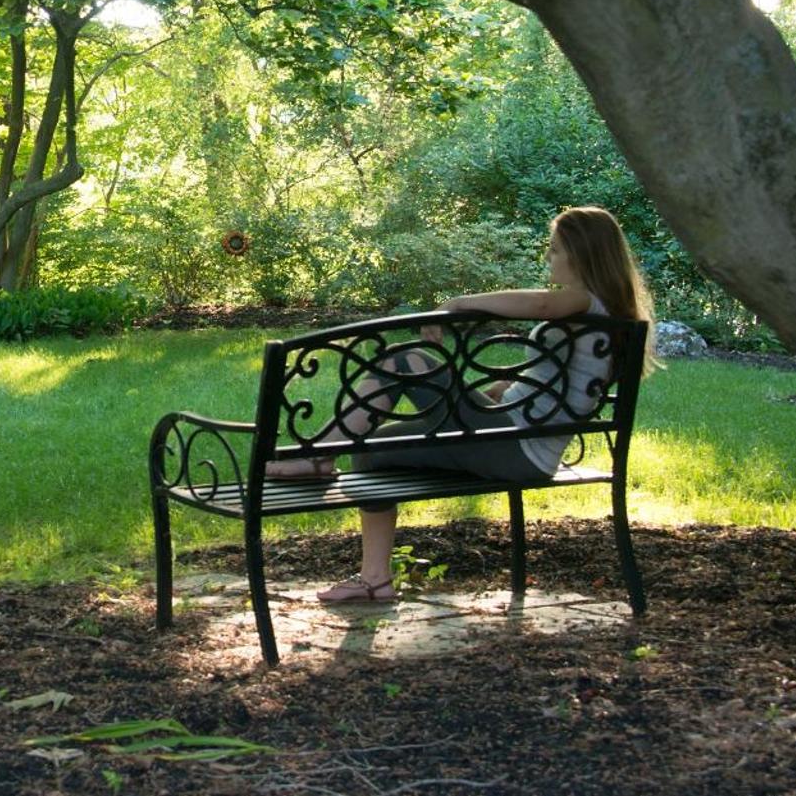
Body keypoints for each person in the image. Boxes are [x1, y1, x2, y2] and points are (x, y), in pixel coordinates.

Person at [265, 206, 654, 604]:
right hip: (515, 437)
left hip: (513, 444)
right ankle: (375, 580)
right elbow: (549, 384)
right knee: (372, 451)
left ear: (581, 252)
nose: (548, 257)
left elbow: (541, 306)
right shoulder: (608, 315)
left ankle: (319, 457)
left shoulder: (584, 301)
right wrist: (489, 391)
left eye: (554, 249)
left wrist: (457, 302)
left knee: (402, 359)